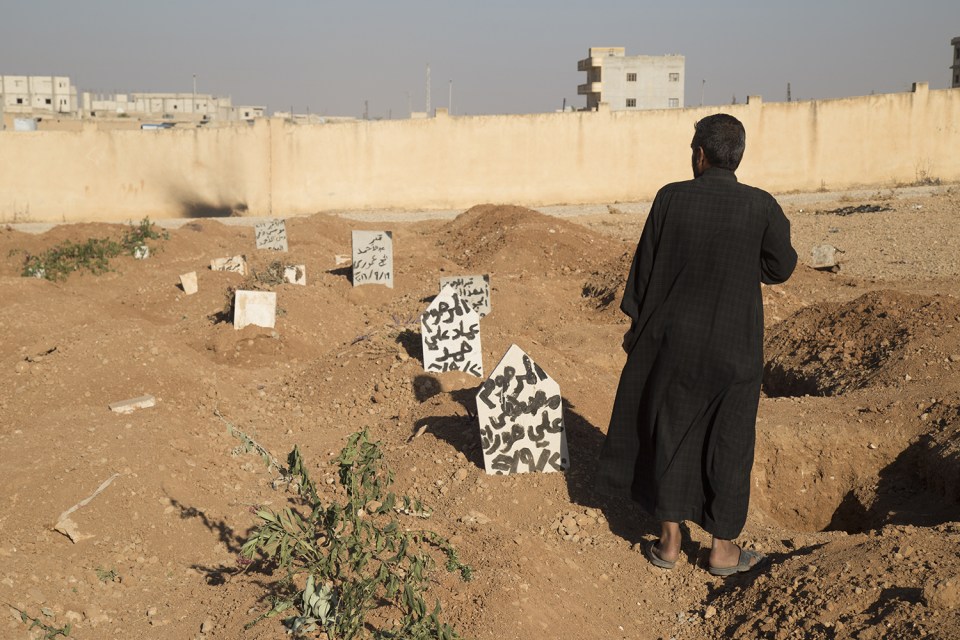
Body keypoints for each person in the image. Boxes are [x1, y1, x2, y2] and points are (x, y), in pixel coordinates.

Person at [594, 114, 797, 576]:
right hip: (734, 349)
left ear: (700, 155)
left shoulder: (671, 199)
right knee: (729, 440)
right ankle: (723, 551)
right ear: (738, 156)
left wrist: (638, 332)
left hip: (672, 346)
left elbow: (643, 274)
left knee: (668, 430)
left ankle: (669, 543)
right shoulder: (761, 206)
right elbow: (781, 266)